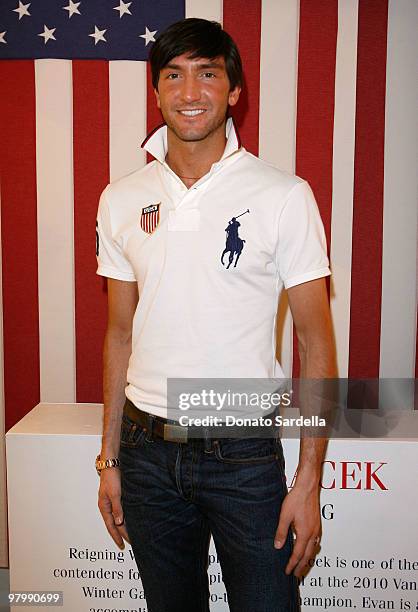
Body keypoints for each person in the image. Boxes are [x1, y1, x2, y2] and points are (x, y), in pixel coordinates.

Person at [95, 17, 336, 612]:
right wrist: (109, 460)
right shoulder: (120, 198)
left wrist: (308, 482)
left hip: (244, 454)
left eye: (207, 73)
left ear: (233, 92)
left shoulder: (283, 195)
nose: (189, 91)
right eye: (173, 76)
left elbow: (318, 344)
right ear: (156, 92)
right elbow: (119, 334)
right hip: (146, 450)